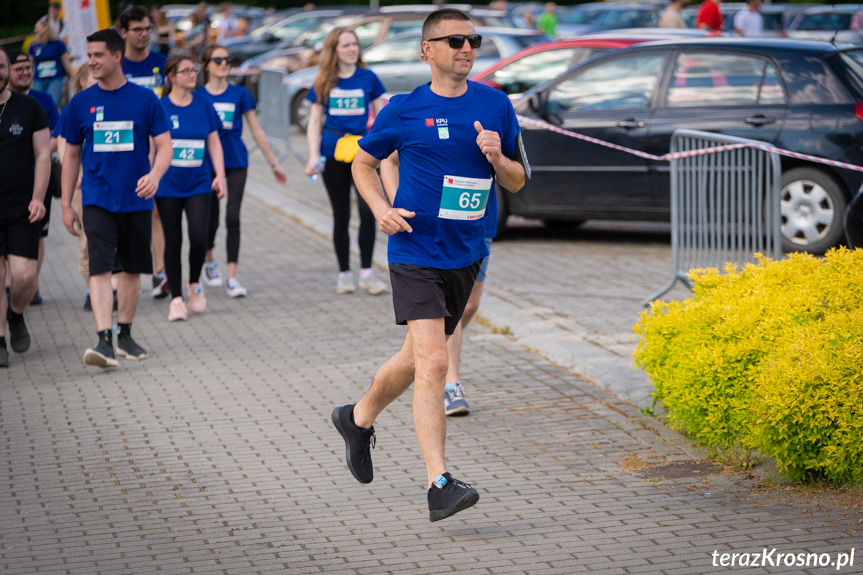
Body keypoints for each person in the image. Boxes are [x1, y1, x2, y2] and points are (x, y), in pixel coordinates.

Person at [332, 8, 526, 522]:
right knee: (436, 364)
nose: (467, 48)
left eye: (473, 40)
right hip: (415, 251)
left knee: (416, 359)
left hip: (467, 251)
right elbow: (363, 162)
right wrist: (380, 209)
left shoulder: (496, 105)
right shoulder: (403, 109)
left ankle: (357, 417)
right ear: (428, 50)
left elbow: (517, 181)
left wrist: (497, 157)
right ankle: (439, 482)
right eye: (456, 40)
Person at [59, 28, 172, 368]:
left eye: (97, 55)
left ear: (116, 56)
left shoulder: (145, 99)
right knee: (100, 265)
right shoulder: (80, 103)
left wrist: (154, 175)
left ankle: (125, 333)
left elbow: (166, 145)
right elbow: (71, 156)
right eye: (89, 55)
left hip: (136, 198)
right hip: (97, 198)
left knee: (133, 269)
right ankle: (103, 339)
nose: (90, 61)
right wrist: (65, 204)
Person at [195, 45, 287, 298]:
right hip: (207, 164)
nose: (224, 63)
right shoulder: (198, 97)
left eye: (228, 59)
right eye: (218, 60)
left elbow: (256, 130)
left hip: (236, 161)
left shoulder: (239, 94)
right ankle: (209, 262)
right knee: (209, 218)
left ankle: (232, 277)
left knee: (233, 217)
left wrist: (273, 163)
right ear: (206, 65)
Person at [304, 27, 388, 296]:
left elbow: (382, 116)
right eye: (346, 45)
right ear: (334, 50)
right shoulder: (324, 80)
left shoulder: (369, 78)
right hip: (333, 152)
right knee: (341, 215)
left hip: (363, 155)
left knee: (368, 212)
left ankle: (367, 272)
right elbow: (314, 121)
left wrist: (386, 149)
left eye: (355, 44)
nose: (352, 49)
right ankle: (344, 273)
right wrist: (313, 155)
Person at [157, 53, 226, 321]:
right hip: (167, 185)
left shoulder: (204, 105)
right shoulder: (160, 107)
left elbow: (214, 143)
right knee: (173, 240)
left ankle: (194, 283)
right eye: (185, 71)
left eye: (193, 70)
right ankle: (176, 298)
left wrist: (219, 175)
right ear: (172, 77)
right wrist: (151, 177)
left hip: (198, 182)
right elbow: (153, 147)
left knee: (199, 237)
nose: (192, 74)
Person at [0, 48, 51, 368]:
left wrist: (38, 197)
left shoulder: (29, 107)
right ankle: (0, 340)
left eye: (1, 66)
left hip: (23, 207)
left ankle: (15, 314)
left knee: (25, 274)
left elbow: (44, 155)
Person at [119, 5, 171, 301]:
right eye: (137, 29)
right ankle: (120, 274)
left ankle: (160, 272)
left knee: (156, 214)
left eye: (148, 28)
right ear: (123, 33)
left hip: (160, 146)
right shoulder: (117, 66)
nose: (144, 34)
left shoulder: (162, 64)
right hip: (127, 149)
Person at [6, 49, 60, 307]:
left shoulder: (42, 100)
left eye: (29, 67)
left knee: (37, 238)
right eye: (19, 69)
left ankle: (31, 285)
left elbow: (55, 135)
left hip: (36, 186)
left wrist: (39, 151)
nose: (26, 72)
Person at [28, 19, 74, 106]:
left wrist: (72, 76)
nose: (35, 30)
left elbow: (65, 61)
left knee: (51, 103)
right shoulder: (33, 45)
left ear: (46, 28)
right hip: (38, 79)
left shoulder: (58, 44)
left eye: (38, 27)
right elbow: (30, 63)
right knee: (38, 104)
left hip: (55, 79)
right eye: (35, 28)